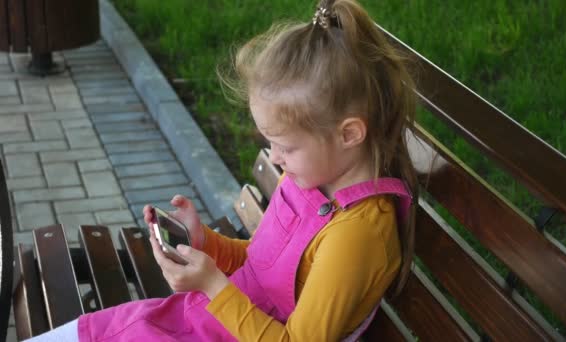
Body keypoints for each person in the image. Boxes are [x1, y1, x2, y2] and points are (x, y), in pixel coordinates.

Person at [27, 0, 418, 340]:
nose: (275, 157)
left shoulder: (357, 236)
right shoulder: (312, 176)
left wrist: (212, 285)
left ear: (349, 133)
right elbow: (262, 268)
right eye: (272, 144)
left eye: (286, 146)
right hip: (204, 322)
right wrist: (205, 243)